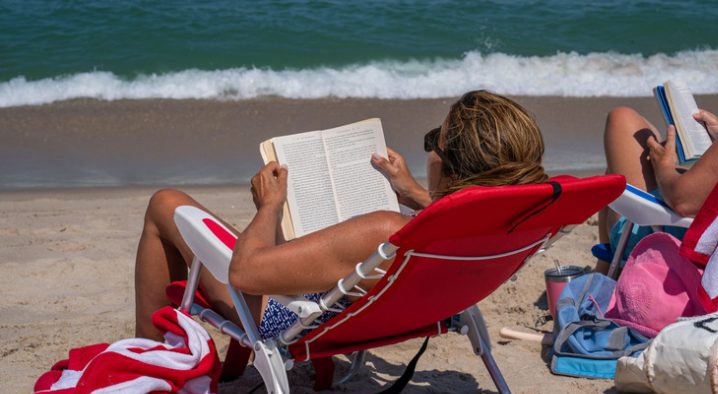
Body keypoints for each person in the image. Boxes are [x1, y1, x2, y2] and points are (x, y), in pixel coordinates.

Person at [134, 90, 549, 340]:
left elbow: (244, 274)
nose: (428, 154)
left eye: (433, 144)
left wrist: (270, 206)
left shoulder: (387, 232)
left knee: (166, 203)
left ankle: (146, 356)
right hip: (394, 315)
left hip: (290, 319)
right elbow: (460, 212)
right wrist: (412, 193)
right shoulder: (509, 224)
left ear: (453, 169)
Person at [596, 98, 718, 272]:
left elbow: (682, 201)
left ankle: (607, 264)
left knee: (621, 119)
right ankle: (605, 264)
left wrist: (663, 167)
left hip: (699, 244)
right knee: (630, 148)